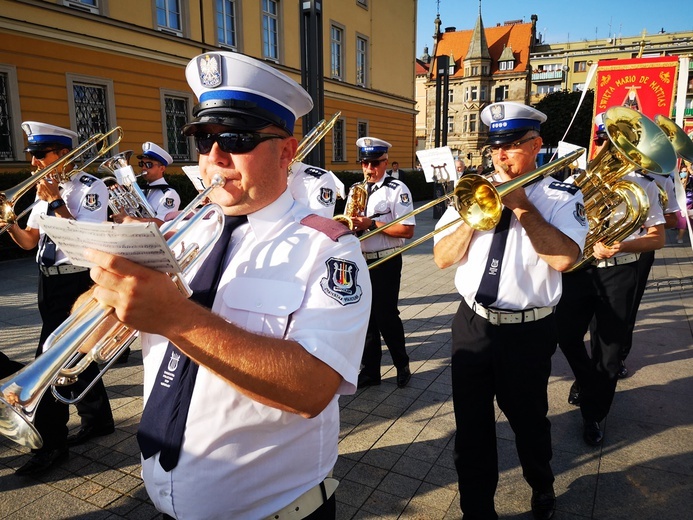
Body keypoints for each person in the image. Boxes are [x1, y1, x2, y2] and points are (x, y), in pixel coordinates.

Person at [81, 51, 371, 519]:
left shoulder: (329, 249)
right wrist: (106, 290)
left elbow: (313, 388)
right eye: (203, 137)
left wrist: (174, 317)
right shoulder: (182, 230)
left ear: (286, 151)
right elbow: (92, 334)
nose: (215, 157)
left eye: (235, 138)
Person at [432, 101, 588, 520]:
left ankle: (542, 483)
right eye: (496, 146)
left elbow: (564, 260)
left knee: (529, 421)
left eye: (513, 144)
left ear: (536, 145)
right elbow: (442, 259)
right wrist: (472, 215)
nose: (501, 155)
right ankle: (476, 510)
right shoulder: (469, 193)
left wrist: (520, 205)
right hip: (472, 324)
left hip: (528, 331)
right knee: (472, 429)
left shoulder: (560, 195)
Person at [1, 122, 114, 475]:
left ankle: (52, 446)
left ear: (63, 154)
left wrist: (55, 201)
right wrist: (9, 225)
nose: (34, 163)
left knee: (48, 364)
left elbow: (82, 244)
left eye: (39, 155)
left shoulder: (90, 189)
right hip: (46, 284)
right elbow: (31, 241)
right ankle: (99, 419)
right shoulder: (41, 190)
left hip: (75, 282)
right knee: (77, 352)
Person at [556, 117, 665, 447]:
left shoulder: (643, 184)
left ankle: (593, 414)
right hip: (581, 268)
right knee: (564, 333)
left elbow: (657, 238)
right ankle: (588, 380)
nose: (609, 147)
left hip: (619, 271)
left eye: (615, 141)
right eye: (604, 139)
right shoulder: (580, 179)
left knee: (609, 350)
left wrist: (623, 244)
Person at [347, 137, 415, 389]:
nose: (369, 169)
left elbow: (407, 230)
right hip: (361, 260)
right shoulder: (356, 189)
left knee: (387, 317)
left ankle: (402, 365)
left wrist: (372, 224)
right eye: (365, 163)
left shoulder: (398, 189)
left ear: (385, 162)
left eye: (374, 163)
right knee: (366, 319)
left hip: (386, 260)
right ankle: (370, 371)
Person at [619, 170, 678, 378]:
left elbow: (672, 219)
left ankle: (618, 357)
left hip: (639, 249)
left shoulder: (659, 180)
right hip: (597, 250)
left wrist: (650, 218)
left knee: (629, 305)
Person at [137, 142, 181, 219]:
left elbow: (162, 224)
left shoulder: (169, 194)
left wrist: (132, 220)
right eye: (142, 164)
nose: (144, 168)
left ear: (162, 168)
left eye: (149, 164)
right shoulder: (141, 190)